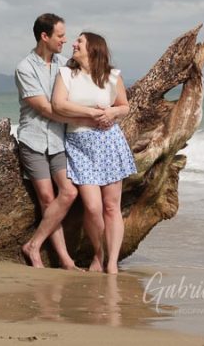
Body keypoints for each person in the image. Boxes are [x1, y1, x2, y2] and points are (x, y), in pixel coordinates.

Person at [17, 14, 106, 269]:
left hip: (58, 139)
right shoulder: (24, 68)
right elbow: (46, 108)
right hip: (33, 140)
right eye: (60, 35)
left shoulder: (64, 65)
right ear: (44, 36)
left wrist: (109, 107)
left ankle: (33, 244)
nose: (65, 40)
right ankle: (63, 259)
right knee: (47, 197)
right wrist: (88, 117)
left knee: (68, 192)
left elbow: (87, 80)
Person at [53, 32, 137, 274]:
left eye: (79, 42)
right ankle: (99, 254)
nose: (73, 44)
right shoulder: (66, 74)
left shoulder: (112, 76)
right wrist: (91, 113)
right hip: (79, 144)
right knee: (92, 206)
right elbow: (59, 104)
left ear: (93, 48)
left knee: (111, 206)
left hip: (109, 143)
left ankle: (111, 263)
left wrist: (112, 113)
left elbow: (124, 106)